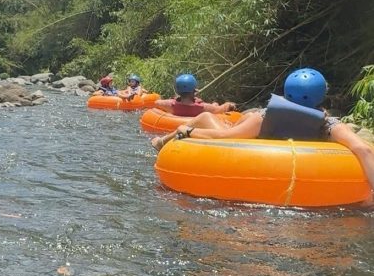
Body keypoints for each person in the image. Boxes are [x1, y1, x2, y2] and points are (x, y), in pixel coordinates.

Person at [152, 68, 374, 203]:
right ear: (321, 97)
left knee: (202, 120)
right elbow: (363, 149)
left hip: (256, 170)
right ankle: (163, 140)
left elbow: (229, 138)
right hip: (306, 184)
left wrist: (190, 131)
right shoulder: (327, 124)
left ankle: (163, 141)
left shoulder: (265, 117)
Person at [154, 72, 236, 117]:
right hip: (199, 117)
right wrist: (228, 104)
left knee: (214, 104)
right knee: (215, 104)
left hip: (177, 114)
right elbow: (220, 109)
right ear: (194, 91)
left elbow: (157, 103)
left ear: (178, 91)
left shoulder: (171, 105)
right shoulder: (202, 107)